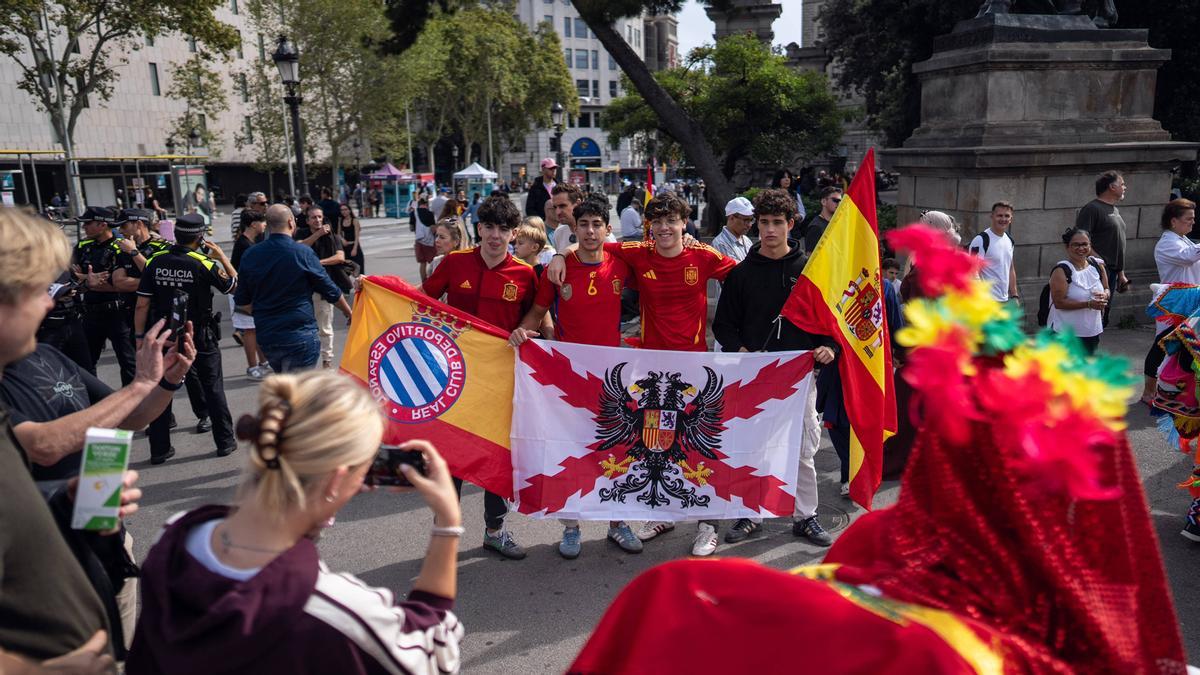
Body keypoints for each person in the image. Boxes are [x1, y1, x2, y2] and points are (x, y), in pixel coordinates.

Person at [126, 372, 465, 674]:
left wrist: (317, 507)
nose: (365, 483)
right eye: (364, 470)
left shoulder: (175, 536)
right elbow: (434, 651)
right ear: (336, 480)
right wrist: (448, 523)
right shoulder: (339, 613)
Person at [547, 192, 737, 555]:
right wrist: (559, 254)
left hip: (694, 369)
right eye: (658, 222)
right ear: (649, 226)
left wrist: (740, 334)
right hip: (652, 371)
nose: (665, 228)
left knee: (699, 446)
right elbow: (590, 244)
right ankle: (664, 514)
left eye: (672, 221)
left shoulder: (703, 255)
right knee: (658, 445)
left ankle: (707, 525)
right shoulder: (637, 252)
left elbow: (744, 277)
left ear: (684, 223)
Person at [0, 207, 146, 672]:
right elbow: (42, 446)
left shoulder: (46, 357)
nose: (48, 304)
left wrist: (64, 498)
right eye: (36, 290)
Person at [510, 198, 643, 558]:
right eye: (583, 224)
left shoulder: (621, 262)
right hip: (570, 378)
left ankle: (618, 522)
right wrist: (519, 334)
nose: (590, 231)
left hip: (612, 377)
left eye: (597, 224)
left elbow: (660, 252)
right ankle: (571, 527)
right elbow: (537, 312)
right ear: (575, 228)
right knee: (569, 451)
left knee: (616, 450)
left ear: (607, 229)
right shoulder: (558, 269)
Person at [711, 188, 837, 551]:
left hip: (799, 377)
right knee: (753, 448)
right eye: (763, 222)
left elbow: (831, 322)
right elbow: (724, 326)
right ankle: (751, 512)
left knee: (802, 450)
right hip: (755, 376)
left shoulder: (810, 271)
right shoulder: (741, 274)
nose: (769, 230)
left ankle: (805, 515)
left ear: (790, 224)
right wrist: (742, 350)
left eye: (777, 222)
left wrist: (829, 347)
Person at [421, 194, 537, 560]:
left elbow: (536, 315)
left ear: (514, 233)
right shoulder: (454, 262)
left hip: (501, 381)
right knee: (450, 456)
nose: (495, 236)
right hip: (453, 377)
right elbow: (420, 300)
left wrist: (524, 329)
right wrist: (376, 286)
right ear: (479, 228)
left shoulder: (524, 273)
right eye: (489, 227)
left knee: (497, 457)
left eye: (504, 229)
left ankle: (495, 531)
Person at [133, 213, 237, 464]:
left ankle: (159, 449)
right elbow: (234, 285)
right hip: (199, 333)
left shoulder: (154, 261)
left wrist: (140, 337)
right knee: (212, 387)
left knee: (160, 388)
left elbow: (142, 304)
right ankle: (225, 442)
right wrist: (222, 256)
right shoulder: (203, 262)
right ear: (200, 238)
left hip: (165, 333)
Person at [234, 205, 351, 373]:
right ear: (291, 222)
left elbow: (242, 300)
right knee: (300, 386)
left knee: (285, 381)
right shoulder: (302, 252)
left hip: (268, 335)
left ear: (268, 225)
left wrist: (265, 313)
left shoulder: (251, 254)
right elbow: (330, 289)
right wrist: (349, 313)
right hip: (299, 332)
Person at [72, 206, 138, 385]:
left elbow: (123, 284)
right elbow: (71, 276)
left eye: (88, 223)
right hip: (90, 313)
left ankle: (131, 400)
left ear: (102, 225)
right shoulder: (83, 246)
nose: (84, 227)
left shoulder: (121, 247)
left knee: (129, 363)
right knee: (85, 363)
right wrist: (87, 279)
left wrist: (86, 279)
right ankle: (93, 399)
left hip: (118, 313)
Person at [1144, 198, 1200, 405]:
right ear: (1173, 221)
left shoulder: (1185, 240)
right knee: (1163, 344)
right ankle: (1148, 391)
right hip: (1172, 303)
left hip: (1191, 301)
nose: (1193, 222)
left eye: (1193, 218)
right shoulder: (1167, 243)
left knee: (1186, 349)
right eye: (1188, 219)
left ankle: (1175, 390)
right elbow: (1188, 257)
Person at [297, 206, 351, 369]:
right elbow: (299, 248)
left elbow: (340, 257)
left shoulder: (332, 236)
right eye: (313, 217)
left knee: (325, 326)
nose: (318, 220)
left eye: (320, 217)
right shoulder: (301, 233)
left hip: (323, 287)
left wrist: (317, 263)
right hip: (303, 289)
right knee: (305, 328)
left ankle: (327, 361)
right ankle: (306, 362)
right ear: (307, 221)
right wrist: (317, 234)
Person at [1076, 170, 1130, 325]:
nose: (1125, 187)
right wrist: (1099, 261)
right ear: (1112, 187)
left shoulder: (1115, 210)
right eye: (1122, 184)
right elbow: (1080, 239)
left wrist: (1121, 274)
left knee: (1103, 316)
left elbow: (1117, 244)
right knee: (1093, 316)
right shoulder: (1092, 208)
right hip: (1097, 271)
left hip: (1112, 272)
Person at [1046, 227, 1108, 355]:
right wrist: (1088, 304)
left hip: (1091, 331)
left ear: (1090, 245)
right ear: (1067, 247)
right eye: (1076, 245)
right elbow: (1059, 303)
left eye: (1085, 244)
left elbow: (1107, 288)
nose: (1081, 248)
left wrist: (1105, 295)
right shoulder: (1062, 271)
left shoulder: (1097, 265)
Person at [232, 210, 271, 380]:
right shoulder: (244, 244)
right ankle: (252, 367)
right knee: (250, 330)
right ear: (254, 224)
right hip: (244, 294)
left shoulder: (248, 242)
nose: (265, 225)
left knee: (256, 328)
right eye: (263, 222)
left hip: (249, 293)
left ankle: (263, 362)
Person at [968, 201, 1020, 304]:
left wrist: (1014, 295)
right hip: (986, 302)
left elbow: (1010, 268)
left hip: (1005, 300)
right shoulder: (981, 240)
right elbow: (972, 271)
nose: (1003, 219)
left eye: (1007, 216)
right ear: (992, 216)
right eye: (999, 215)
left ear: (1011, 219)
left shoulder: (1009, 240)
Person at [802, 186, 842, 254]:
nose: (839, 204)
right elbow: (810, 256)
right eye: (835, 200)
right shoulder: (815, 227)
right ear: (823, 202)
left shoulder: (836, 224)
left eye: (840, 201)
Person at [338, 203, 365, 275]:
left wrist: (354, 249)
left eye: (345, 209)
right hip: (345, 247)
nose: (343, 212)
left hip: (354, 246)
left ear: (349, 210)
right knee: (346, 270)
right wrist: (342, 239)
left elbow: (357, 237)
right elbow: (338, 234)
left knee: (359, 271)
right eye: (342, 210)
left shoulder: (354, 220)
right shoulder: (341, 220)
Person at [415, 195, 437, 280]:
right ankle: (433, 281)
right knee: (433, 262)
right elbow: (433, 228)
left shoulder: (414, 213)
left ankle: (424, 282)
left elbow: (412, 227)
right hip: (429, 241)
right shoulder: (429, 214)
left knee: (422, 263)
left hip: (418, 240)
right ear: (427, 204)